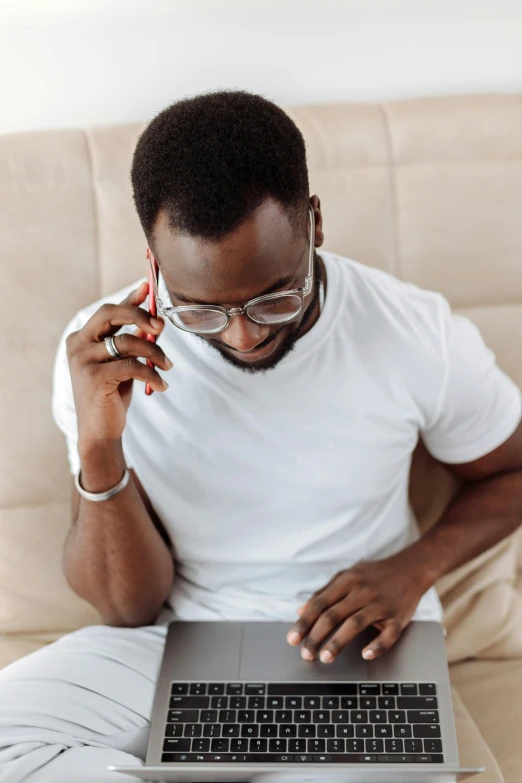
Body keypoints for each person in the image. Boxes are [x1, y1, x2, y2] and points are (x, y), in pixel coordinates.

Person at [1, 89, 521, 783]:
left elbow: (512, 469)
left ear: (314, 223)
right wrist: (100, 448)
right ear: (154, 265)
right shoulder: (102, 357)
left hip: (358, 649)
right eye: (202, 311)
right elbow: (128, 603)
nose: (245, 335)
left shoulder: (412, 331)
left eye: (277, 294)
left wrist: (415, 567)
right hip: (177, 639)